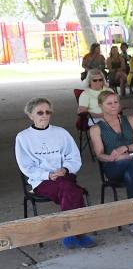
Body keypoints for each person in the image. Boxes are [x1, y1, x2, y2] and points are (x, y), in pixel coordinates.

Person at [15, 98, 96, 248]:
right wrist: (47, 175)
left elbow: (74, 157)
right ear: (30, 115)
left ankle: (71, 235)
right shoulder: (23, 137)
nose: (44, 115)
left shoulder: (61, 133)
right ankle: (78, 234)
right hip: (41, 180)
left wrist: (65, 169)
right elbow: (26, 166)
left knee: (66, 186)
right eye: (39, 112)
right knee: (73, 190)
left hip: (65, 175)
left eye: (48, 112)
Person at [89, 90, 133, 235]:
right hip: (113, 166)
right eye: (109, 103)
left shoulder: (130, 120)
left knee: (131, 174)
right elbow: (100, 155)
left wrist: (125, 148)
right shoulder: (96, 128)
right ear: (100, 106)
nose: (113, 106)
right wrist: (114, 158)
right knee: (131, 164)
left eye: (116, 102)